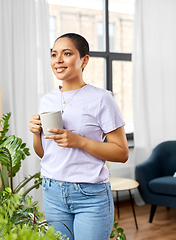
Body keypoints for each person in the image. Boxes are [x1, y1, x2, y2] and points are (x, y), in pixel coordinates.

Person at [28, 33, 129, 240]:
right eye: (54, 54)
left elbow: (121, 153)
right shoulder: (47, 100)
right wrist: (36, 135)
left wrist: (79, 142)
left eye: (67, 53)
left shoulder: (102, 99)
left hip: (90, 194)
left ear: (84, 60)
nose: (58, 60)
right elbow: (44, 154)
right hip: (52, 190)